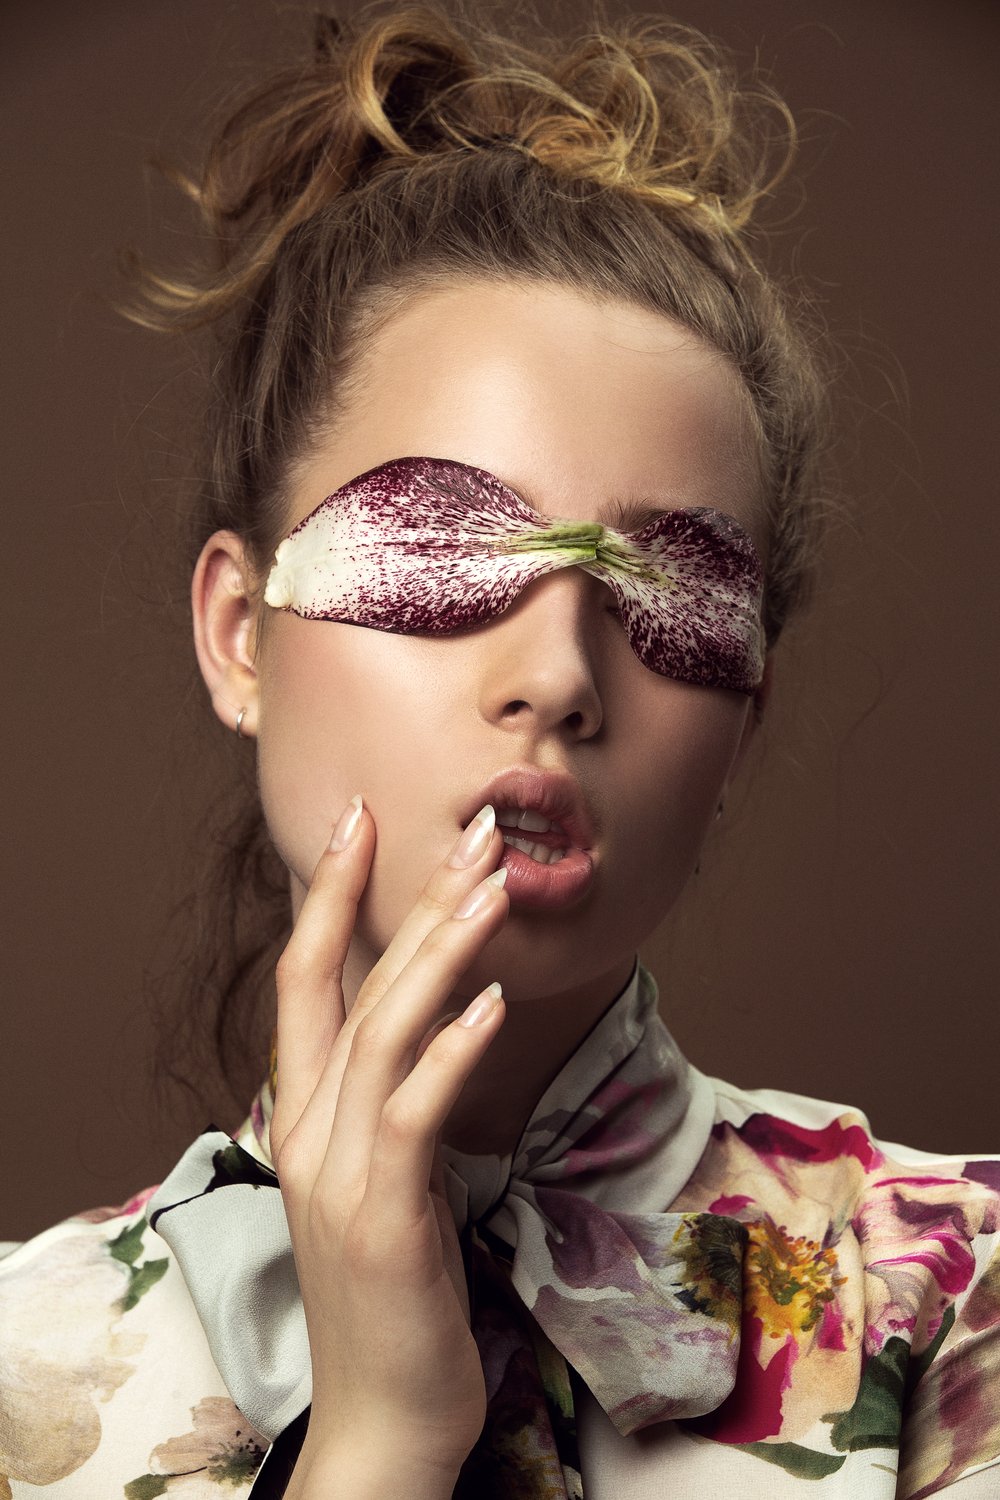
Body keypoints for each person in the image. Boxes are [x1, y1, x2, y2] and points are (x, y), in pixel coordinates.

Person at [1, 3, 998, 1497]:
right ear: (241, 636)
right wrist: (382, 1442)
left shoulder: (956, 1290)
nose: (558, 680)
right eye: (439, 550)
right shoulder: (24, 1376)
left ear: (745, 728)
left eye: (671, 593)